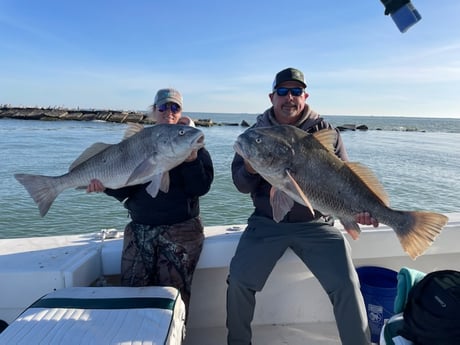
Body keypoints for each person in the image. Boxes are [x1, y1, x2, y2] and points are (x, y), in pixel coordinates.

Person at [227, 68, 378, 345]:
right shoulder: (254, 135)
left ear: (305, 96)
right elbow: (240, 185)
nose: (289, 98)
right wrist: (250, 167)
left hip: (317, 224)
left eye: (296, 91)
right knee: (238, 281)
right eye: (282, 92)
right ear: (272, 97)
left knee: (347, 284)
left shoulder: (326, 132)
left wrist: (359, 210)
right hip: (266, 223)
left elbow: (347, 178)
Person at [87, 88, 214, 314]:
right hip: (140, 230)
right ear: (154, 111)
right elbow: (125, 190)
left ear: (181, 111)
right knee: (132, 296)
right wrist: (104, 186)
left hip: (182, 231)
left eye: (174, 107)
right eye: (163, 107)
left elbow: (200, 188)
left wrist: (192, 161)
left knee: (173, 299)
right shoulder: (140, 141)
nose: (169, 111)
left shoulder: (193, 144)